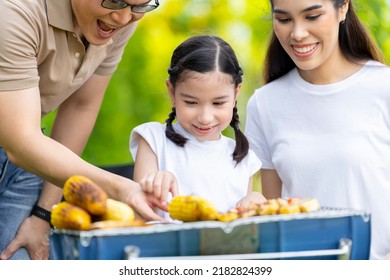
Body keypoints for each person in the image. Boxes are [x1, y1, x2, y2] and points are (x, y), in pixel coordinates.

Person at [0, 0, 165, 260]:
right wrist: (122, 188)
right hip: (23, 146)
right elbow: (20, 142)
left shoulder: (120, 18)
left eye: (141, 6)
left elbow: (80, 106)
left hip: (29, 161)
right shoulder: (13, 12)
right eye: (114, 0)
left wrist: (44, 213)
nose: (123, 18)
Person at [245, 0, 390, 259]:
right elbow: (275, 215)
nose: (298, 33)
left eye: (312, 16)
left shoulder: (383, 87)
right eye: (284, 19)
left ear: (343, 7)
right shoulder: (265, 104)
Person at [129, 35, 266, 220]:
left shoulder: (244, 158)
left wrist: (254, 200)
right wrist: (155, 184)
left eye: (218, 103)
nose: (205, 117)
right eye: (191, 102)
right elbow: (140, 214)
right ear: (172, 91)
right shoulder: (153, 140)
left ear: (236, 93)